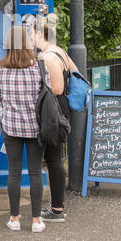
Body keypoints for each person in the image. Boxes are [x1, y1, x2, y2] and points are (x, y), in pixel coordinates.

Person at [0, 26, 51, 233]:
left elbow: (1, 98)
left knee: (14, 173)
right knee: (36, 172)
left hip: (11, 126)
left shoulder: (1, 67)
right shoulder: (38, 66)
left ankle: (15, 218)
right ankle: (36, 220)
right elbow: (44, 94)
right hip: (35, 126)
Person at [32, 13, 78, 222]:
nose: (31, 37)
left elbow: (57, 89)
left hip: (54, 111)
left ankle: (57, 209)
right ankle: (57, 206)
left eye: (32, 33)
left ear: (40, 33)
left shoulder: (48, 57)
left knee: (53, 159)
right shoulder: (60, 52)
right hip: (63, 110)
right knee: (54, 158)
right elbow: (76, 74)